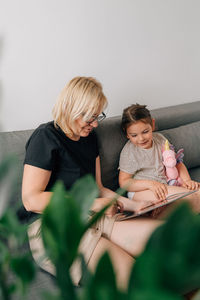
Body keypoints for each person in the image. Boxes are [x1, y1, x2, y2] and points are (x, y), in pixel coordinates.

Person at [22, 77, 162, 291]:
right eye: (89, 118)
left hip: (94, 214)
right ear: (70, 108)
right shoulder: (45, 137)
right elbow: (31, 200)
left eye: (98, 117)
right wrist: (90, 204)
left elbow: (98, 188)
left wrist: (133, 205)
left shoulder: (90, 137)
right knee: (137, 281)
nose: (95, 124)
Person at [119, 103, 200, 216]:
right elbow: (124, 183)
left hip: (164, 186)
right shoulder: (130, 152)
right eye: (134, 135)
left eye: (145, 132)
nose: (141, 138)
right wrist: (150, 184)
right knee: (190, 198)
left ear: (152, 124)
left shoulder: (160, 140)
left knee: (198, 193)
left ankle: (163, 213)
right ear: (127, 134)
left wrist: (187, 181)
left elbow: (176, 163)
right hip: (140, 191)